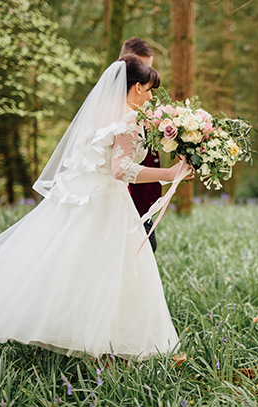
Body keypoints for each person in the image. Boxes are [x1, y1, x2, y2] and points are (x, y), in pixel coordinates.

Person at [0, 55, 193, 361]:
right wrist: (168, 174)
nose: (151, 97)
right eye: (149, 89)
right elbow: (121, 170)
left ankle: (66, 331)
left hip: (81, 197)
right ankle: (122, 344)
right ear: (136, 87)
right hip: (106, 202)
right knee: (117, 271)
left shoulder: (99, 113)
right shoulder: (129, 119)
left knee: (69, 265)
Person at [119, 37, 161, 252]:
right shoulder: (121, 111)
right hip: (125, 197)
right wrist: (169, 173)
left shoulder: (136, 105)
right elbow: (120, 166)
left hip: (144, 195)